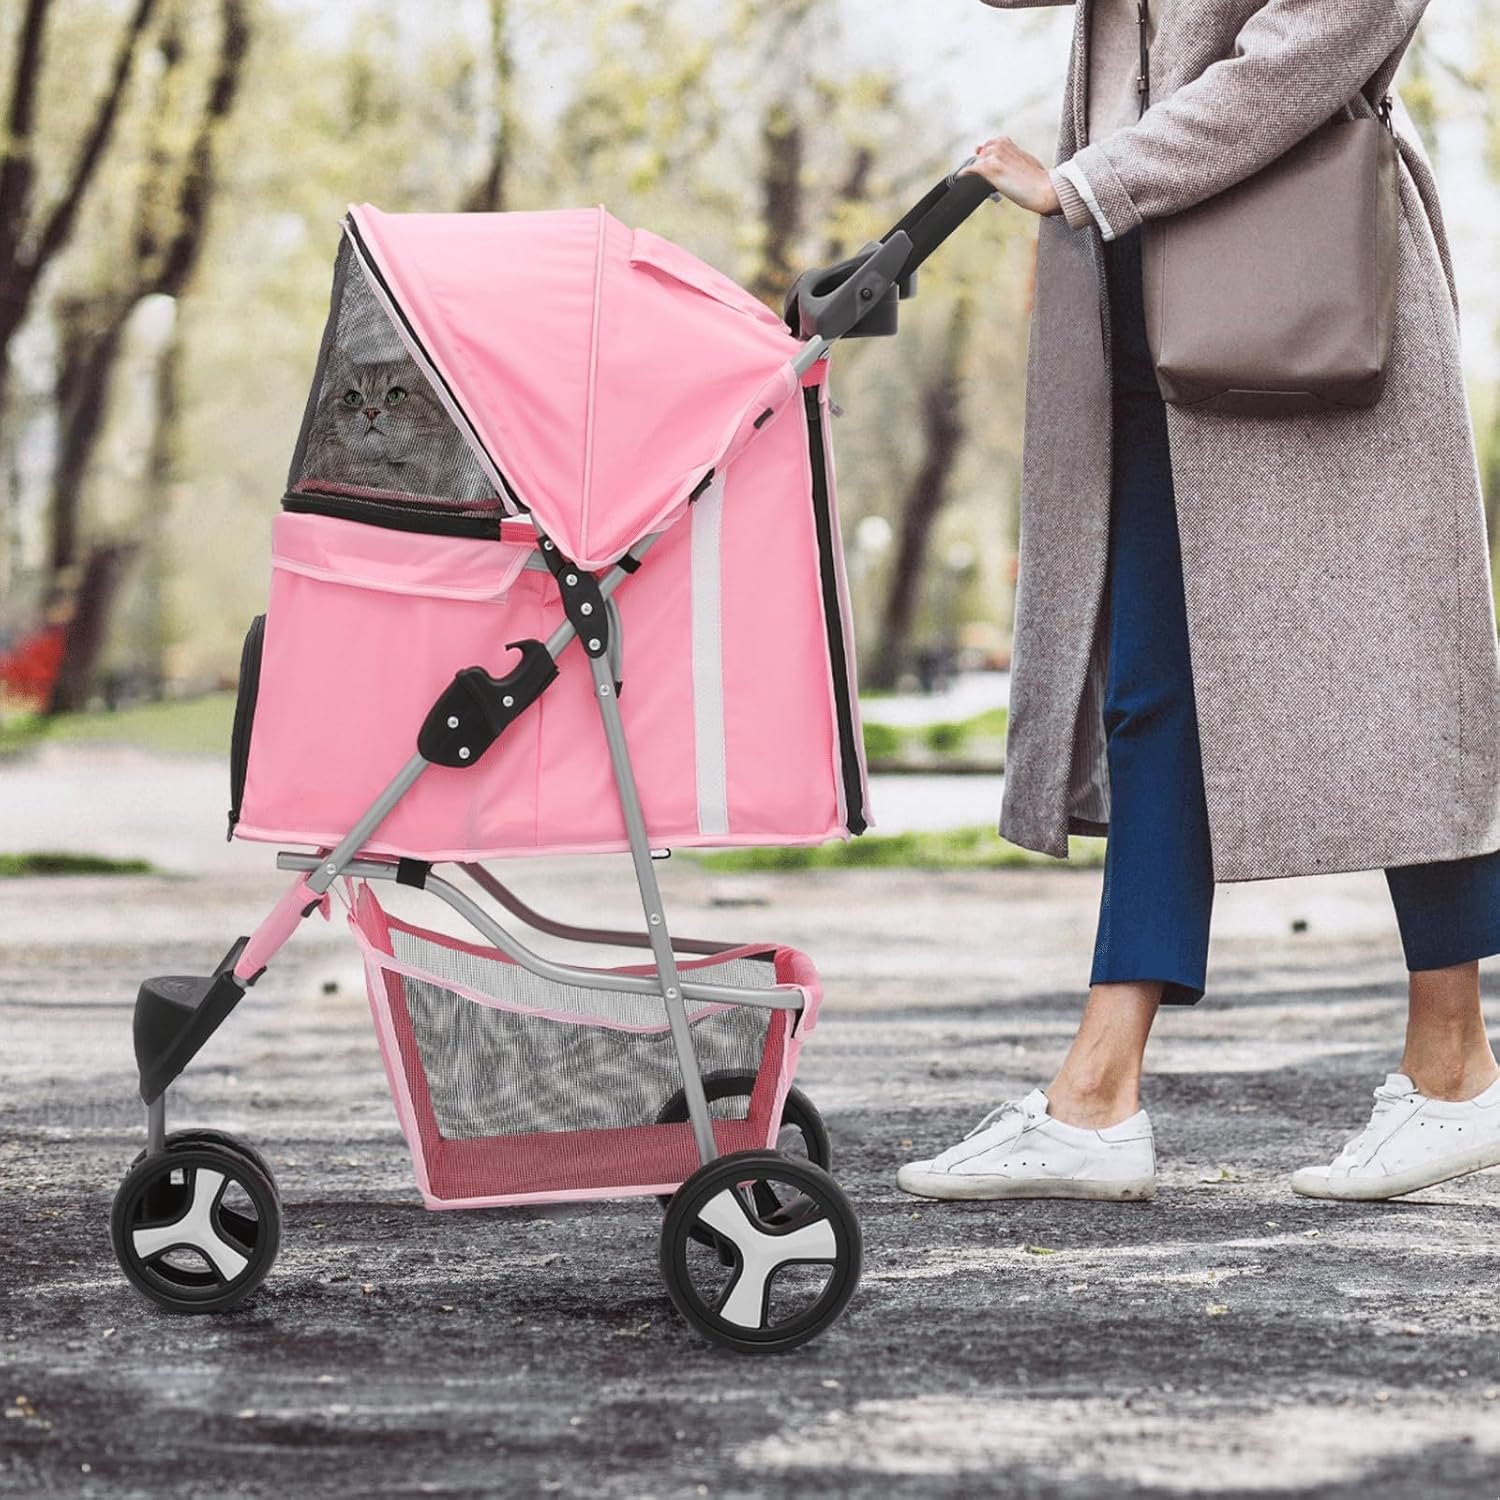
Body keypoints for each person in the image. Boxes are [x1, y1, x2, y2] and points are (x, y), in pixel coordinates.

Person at [899, 0, 1500, 1204]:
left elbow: (1318, 40)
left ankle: (1453, 1065)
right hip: (1137, 284)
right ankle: (1096, 1096)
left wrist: (1091, 181)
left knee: (1398, 672)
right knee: (1152, 691)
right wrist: (1100, 194)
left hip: (1302, 284)